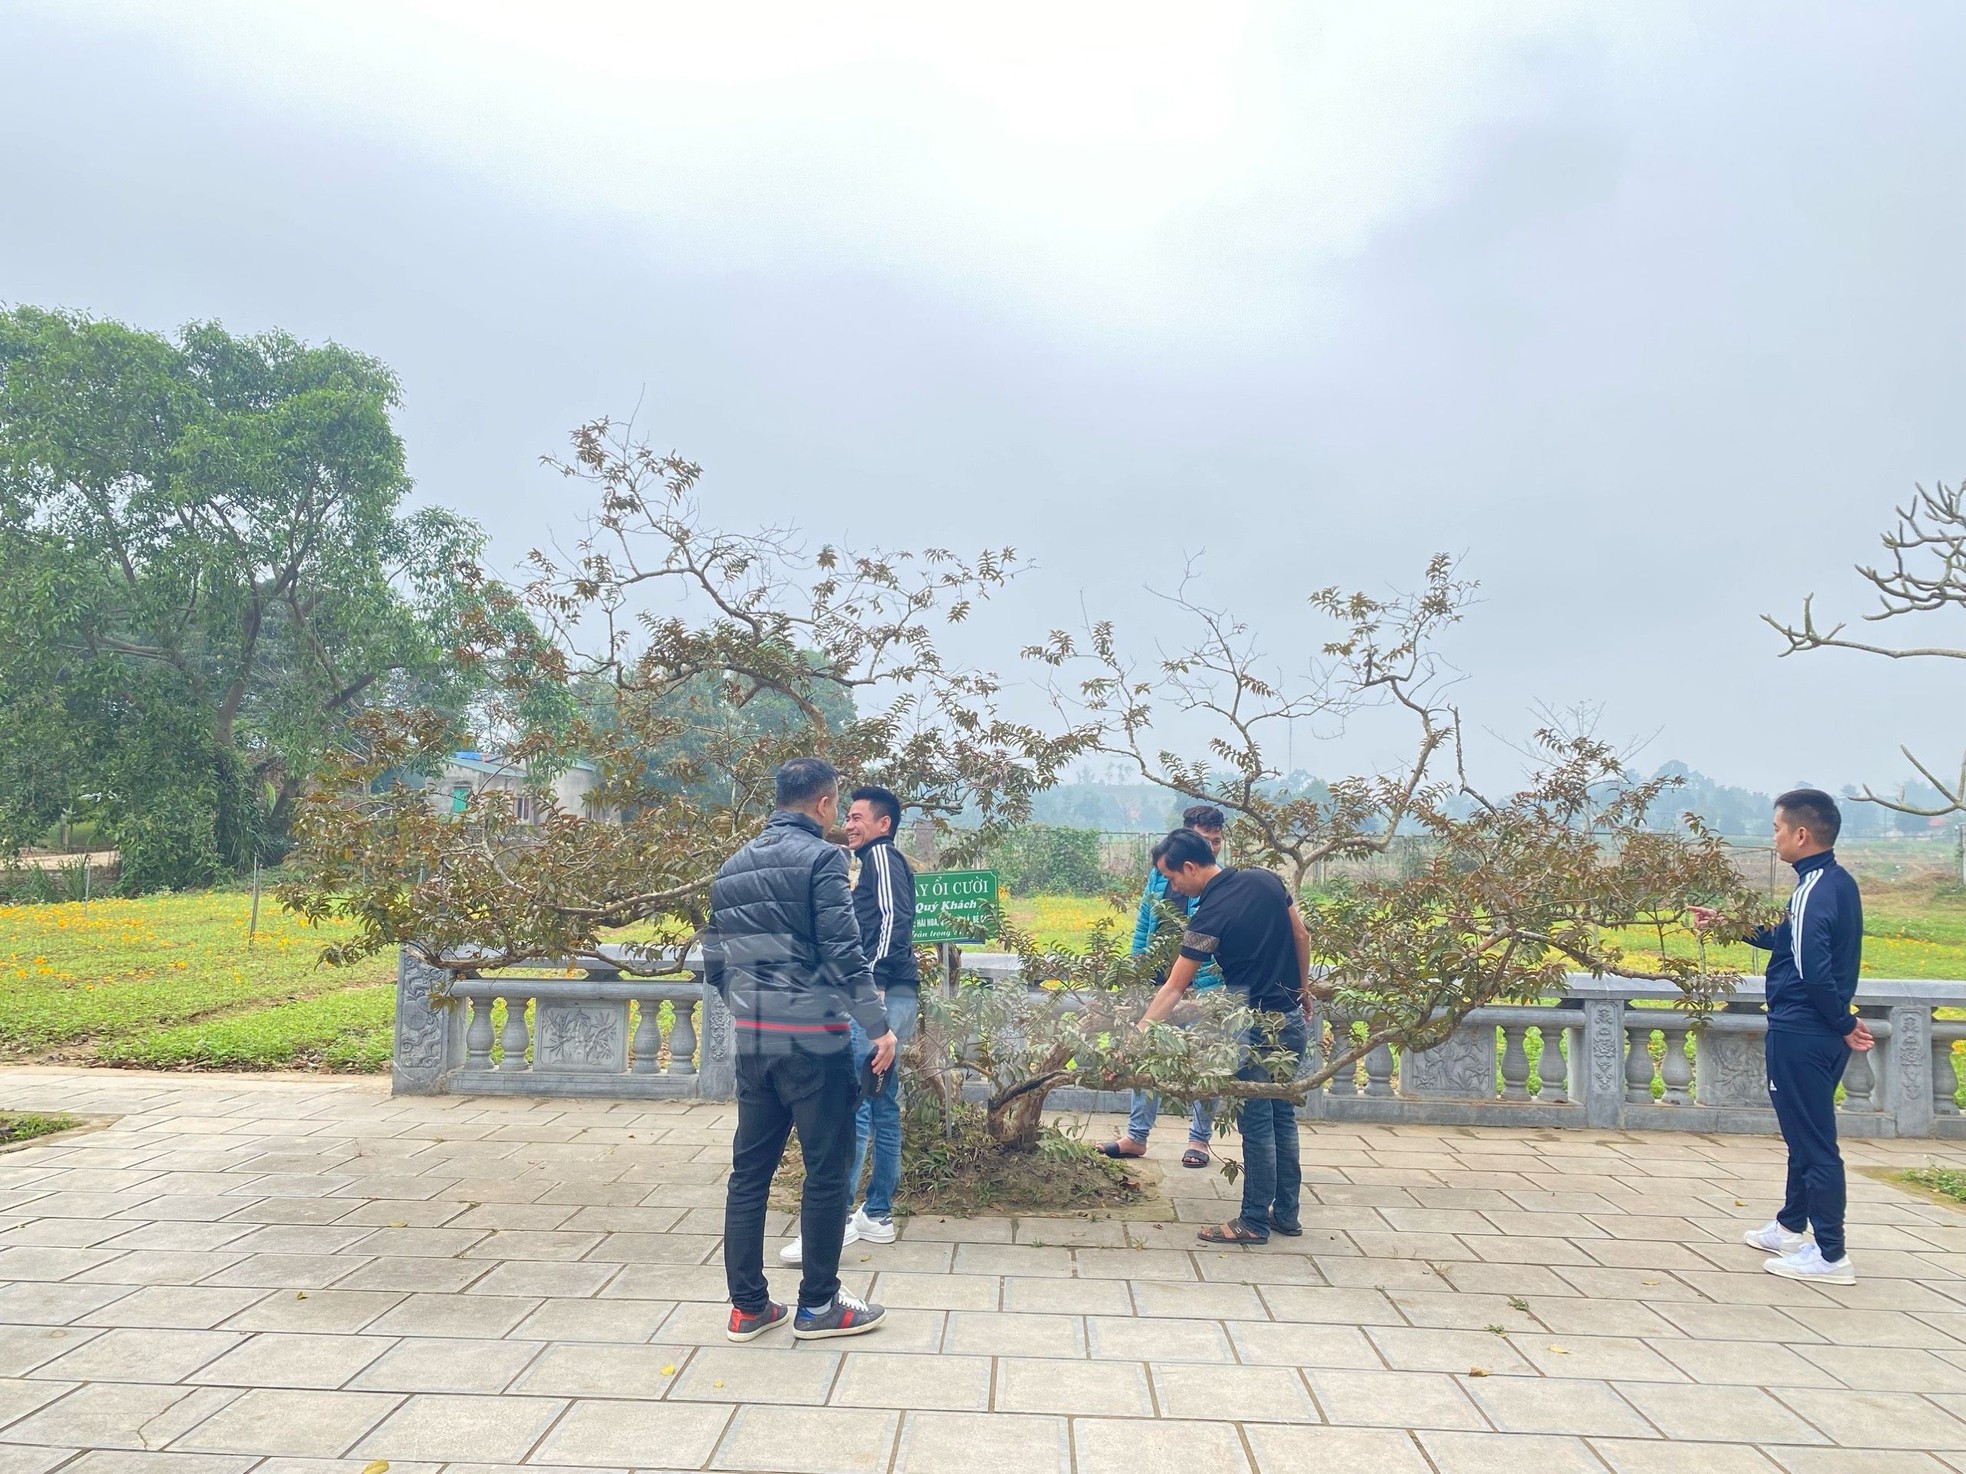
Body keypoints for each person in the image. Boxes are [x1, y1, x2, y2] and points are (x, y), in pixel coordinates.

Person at [706, 757, 898, 1342]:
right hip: (814, 1041)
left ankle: (748, 1307)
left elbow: (716, 965)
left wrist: (754, 1012)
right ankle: (818, 1304)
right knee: (825, 1170)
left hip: (756, 1040)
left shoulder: (731, 867)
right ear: (822, 804)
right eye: (836, 805)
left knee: (749, 1174)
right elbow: (844, 953)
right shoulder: (823, 860)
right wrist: (878, 1026)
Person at [1693, 788, 1872, 1285]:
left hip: (1803, 1031)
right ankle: (1792, 1225)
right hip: (1817, 1030)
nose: (1773, 838)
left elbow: (1815, 971)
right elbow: (1787, 939)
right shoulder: (1832, 883)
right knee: (1802, 1132)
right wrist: (1732, 924)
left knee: (1815, 1142)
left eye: (1776, 829)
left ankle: (1831, 1255)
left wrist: (1842, 1022)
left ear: (1800, 833)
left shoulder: (1815, 889)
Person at [1138, 827, 1312, 1246]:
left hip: (1252, 1024)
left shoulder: (1208, 917)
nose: (1172, 886)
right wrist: (1302, 992)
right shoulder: (1267, 879)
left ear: (1191, 867)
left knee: (1257, 1124)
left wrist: (1141, 1030)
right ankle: (1286, 1214)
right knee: (1283, 1117)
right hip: (1289, 1017)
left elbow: (1174, 987)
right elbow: (1302, 935)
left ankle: (1253, 1221)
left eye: (1173, 878)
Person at [779, 784, 919, 1262]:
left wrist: (872, 989)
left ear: (885, 825)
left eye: (860, 817)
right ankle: (876, 1214)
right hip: (897, 993)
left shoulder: (882, 858)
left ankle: (833, 1223)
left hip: (883, 994)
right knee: (881, 1104)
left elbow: (893, 922)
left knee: (854, 1104)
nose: (851, 823)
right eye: (849, 816)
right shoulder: (879, 861)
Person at [1100, 804, 1227, 1169]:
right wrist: (1136, 967)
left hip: (1202, 986)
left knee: (1205, 1060)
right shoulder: (1161, 875)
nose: (1211, 848)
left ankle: (1199, 1140)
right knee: (1147, 1053)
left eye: (1216, 841)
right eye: (1204, 840)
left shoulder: (1220, 882)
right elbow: (1144, 921)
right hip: (1160, 982)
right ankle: (1136, 1136)